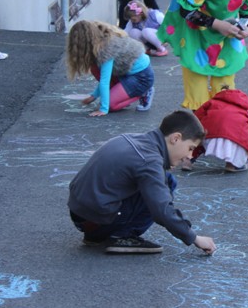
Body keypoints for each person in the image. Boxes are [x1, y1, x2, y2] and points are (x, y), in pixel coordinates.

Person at [68, 109, 217, 255]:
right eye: (190, 148)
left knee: (161, 179)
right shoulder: (149, 161)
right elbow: (162, 210)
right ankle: (121, 235)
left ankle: (96, 236)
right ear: (176, 138)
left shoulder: (133, 139)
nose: (190, 155)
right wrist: (194, 238)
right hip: (96, 220)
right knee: (166, 182)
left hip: (81, 214)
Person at [66, 20, 155, 116]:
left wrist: (104, 109)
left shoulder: (106, 49)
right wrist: (94, 96)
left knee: (110, 105)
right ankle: (123, 94)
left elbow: (105, 81)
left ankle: (144, 92)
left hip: (142, 78)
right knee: (95, 68)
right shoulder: (99, 42)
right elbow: (104, 75)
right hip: (126, 73)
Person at [186, 88, 248, 173]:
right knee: (239, 145)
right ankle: (233, 165)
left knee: (199, 137)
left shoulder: (212, 102)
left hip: (209, 135)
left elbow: (196, 118)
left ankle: (188, 159)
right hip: (235, 140)